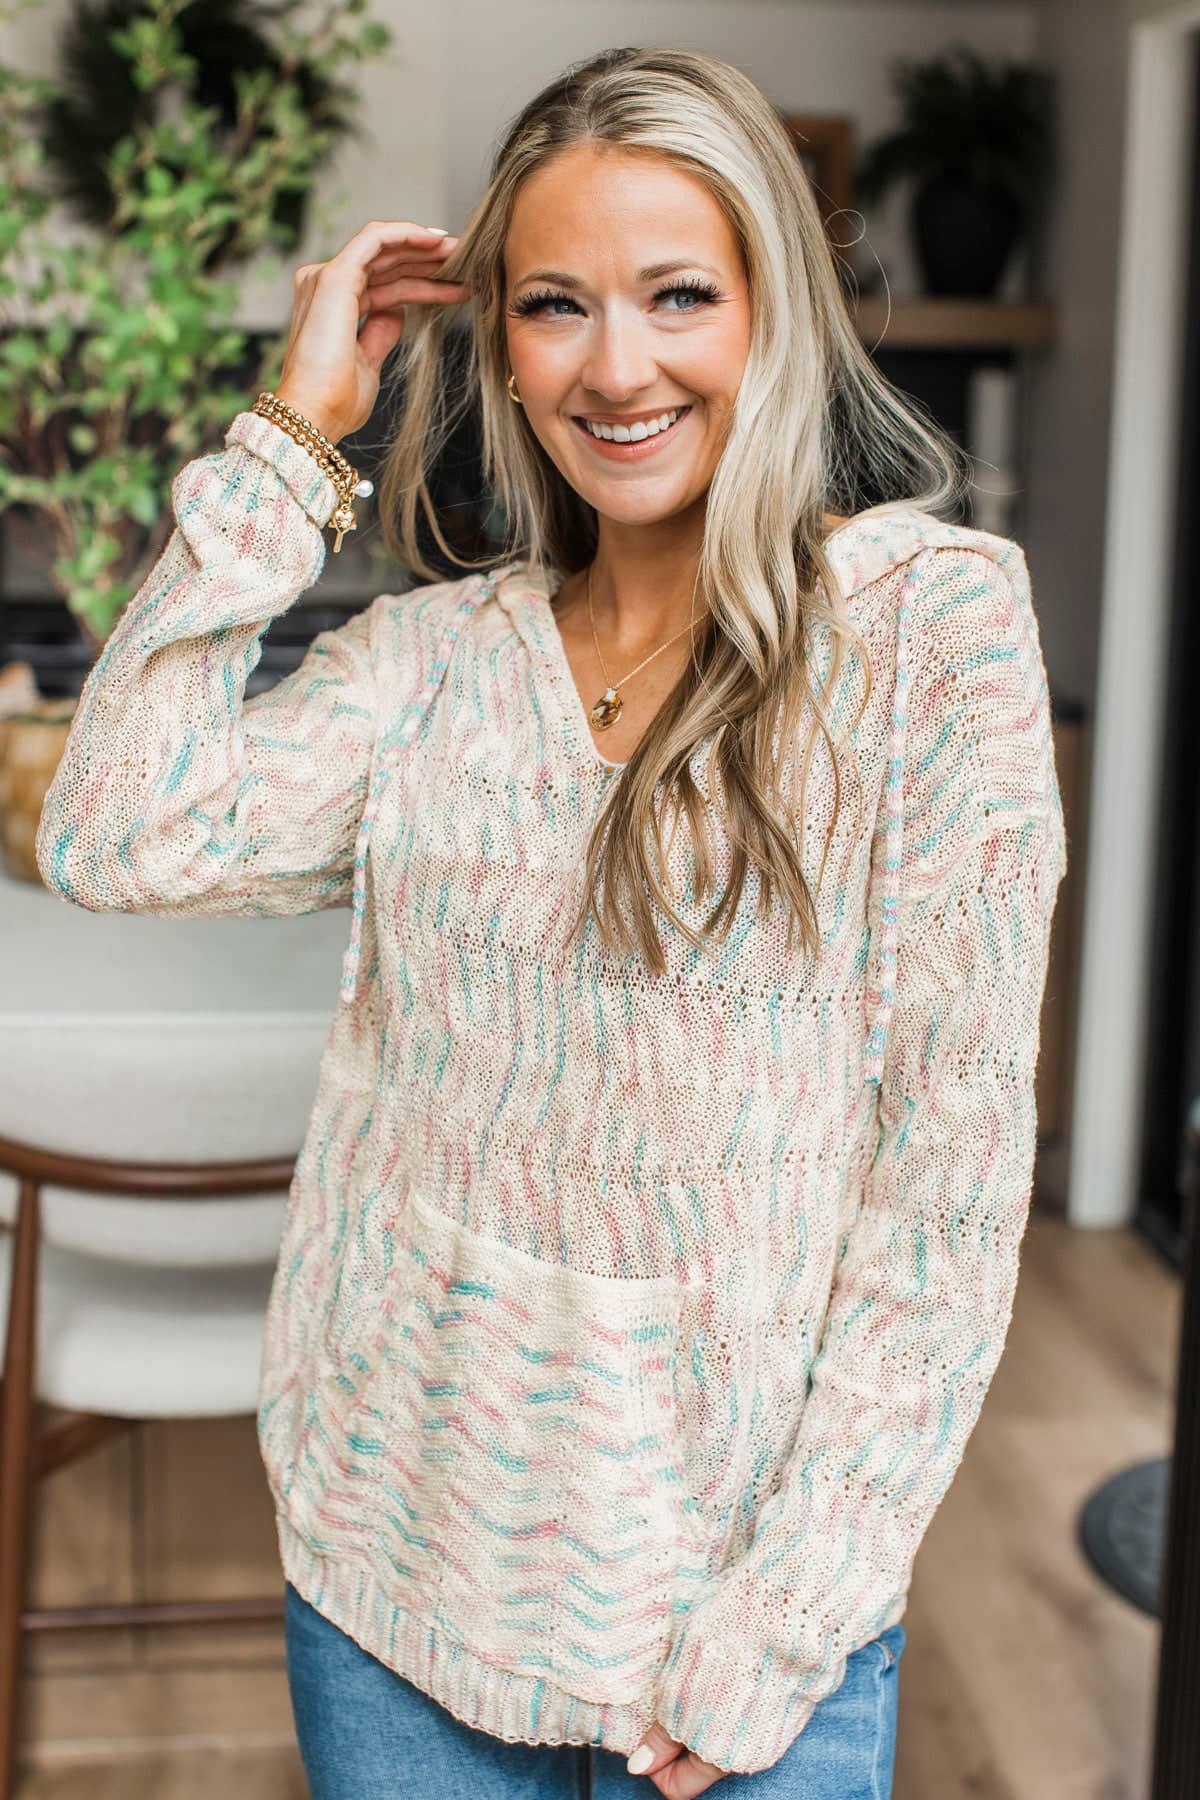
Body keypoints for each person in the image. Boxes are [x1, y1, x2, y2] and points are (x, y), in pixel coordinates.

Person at [36, 43, 1068, 1800]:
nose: (617, 366)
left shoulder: (924, 636)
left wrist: (784, 1622)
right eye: (554, 306)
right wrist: (292, 435)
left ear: (772, 311)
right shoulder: (430, 664)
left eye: (679, 295)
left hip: (745, 1629)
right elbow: (114, 832)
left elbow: (948, 1192)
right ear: (501, 348)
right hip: (393, 1569)